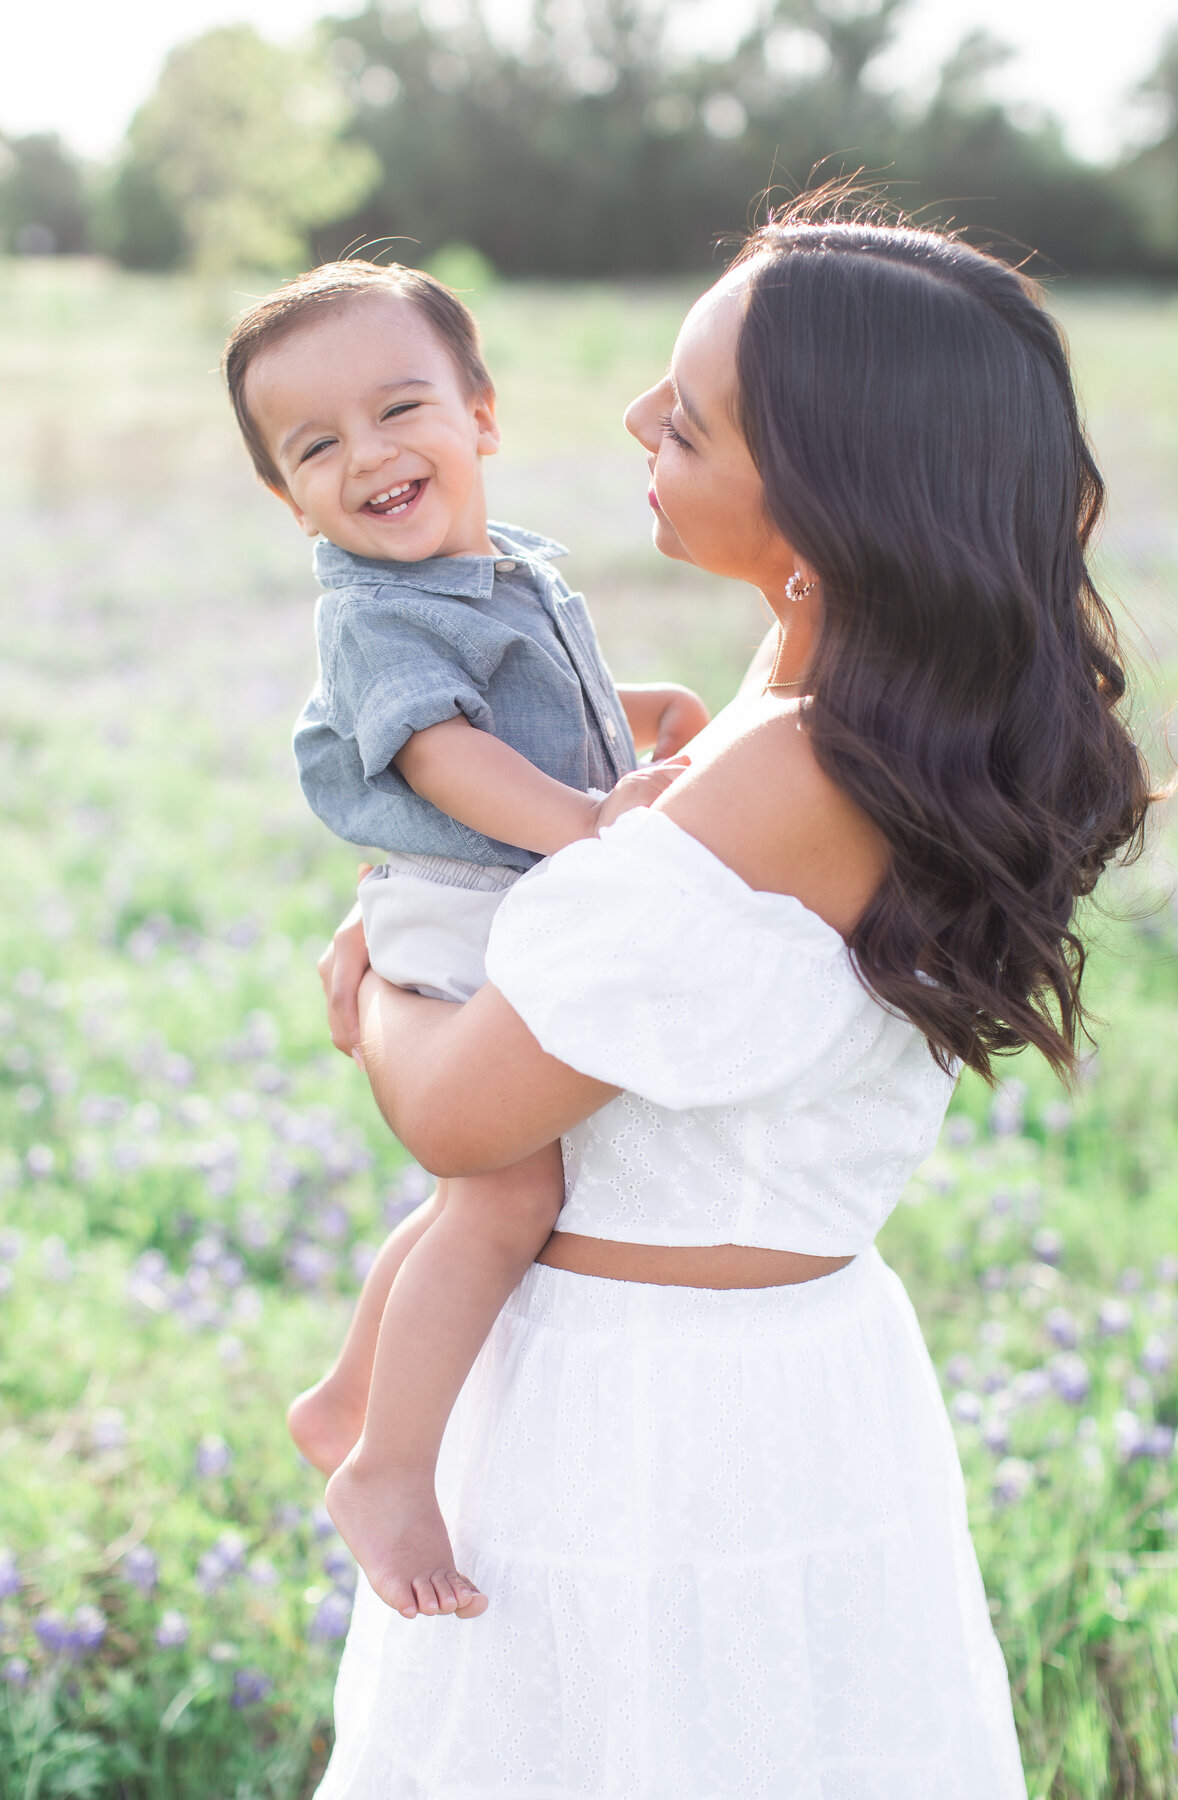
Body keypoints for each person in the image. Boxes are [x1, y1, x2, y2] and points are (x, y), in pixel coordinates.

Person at [311, 204, 1153, 1798]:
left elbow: (456, 1108)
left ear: (827, 506)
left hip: (642, 1413)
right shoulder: (850, 709)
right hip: (804, 1383)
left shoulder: (791, 765)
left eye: (687, 419)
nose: (635, 420)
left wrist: (376, 955)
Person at [220, 260, 708, 1622]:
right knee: (503, 1196)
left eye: (399, 409)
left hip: (506, 878)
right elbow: (443, 757)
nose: (367, 455)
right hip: (470, 896)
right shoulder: (373, 614)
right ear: (287, 496)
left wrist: (626, 707)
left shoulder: (496, 568)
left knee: (470, 1199)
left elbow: (511, 697)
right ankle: (385, 1464)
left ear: (481, 415)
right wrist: (590, 819)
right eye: (316, 446)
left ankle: (342, 1400)